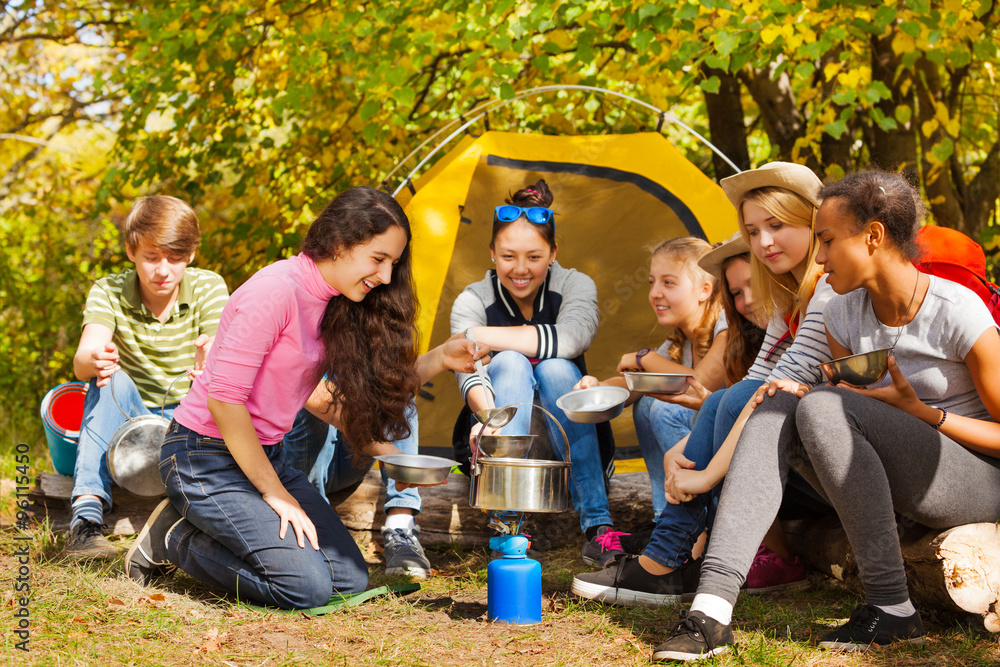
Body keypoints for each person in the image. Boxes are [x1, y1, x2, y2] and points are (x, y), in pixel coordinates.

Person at [123, 186, 484, 609]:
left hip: (264, 454)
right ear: (339, 243)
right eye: (378, 259)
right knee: (306, 589)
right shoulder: (275, 291)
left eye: (393, 263)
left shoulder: (340, 301)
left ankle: (217, 530)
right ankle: (174, 539)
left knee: (348, 579)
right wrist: (276, 495)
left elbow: (365, 396)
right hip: (202, 456)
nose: (386, 276)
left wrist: (441, 358)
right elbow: (224, 400)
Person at [572, 162, 833, 606]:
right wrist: (687, 449)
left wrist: (707, 473)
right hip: (797, 444)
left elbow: (757, 392)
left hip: (843, 454)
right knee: (722, 403)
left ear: (812, 224)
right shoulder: (788, 303)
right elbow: (754, 385)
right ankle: (668, 555)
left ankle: (669, 557)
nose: (763, 242)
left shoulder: (826, 293)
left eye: (776, 225)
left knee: (711, 403)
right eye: (753, 231)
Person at [449, 179, 620, 567]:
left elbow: (573, 339)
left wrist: (479, 336)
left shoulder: (576, 284)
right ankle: (508, 521)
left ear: (553, 253)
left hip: (570, 432)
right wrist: (491, 418)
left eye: (534, 257)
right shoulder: (473, 298)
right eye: (508, 256)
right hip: (498, 424)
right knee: (508, 363)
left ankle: (598, 524)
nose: (521, 270)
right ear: (492, 253)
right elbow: (467, 369)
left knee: (559, 366)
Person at [63, 196, 228, 559]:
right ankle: (86, 521)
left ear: (191, 255)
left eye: (174, 258)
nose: (163, 270)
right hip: (128, 418)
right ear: (131, 251)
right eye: (151, 257)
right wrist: (97, 358)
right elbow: (82, 362)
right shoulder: (108, 290)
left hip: (188, 417)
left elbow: (221, 351)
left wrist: (210, 362)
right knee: (109, 381)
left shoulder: (208, 287)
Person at [283, 331, 487, 578]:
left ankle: (401, 526)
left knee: (396, 394)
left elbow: (394, 384)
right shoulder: (300, 314)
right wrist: (392, 454)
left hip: (350, 457)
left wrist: (442, 356)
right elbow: (309, 389)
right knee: (312, 408)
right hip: (299, 464)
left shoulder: (370, 315)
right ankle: (313, 518)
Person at [575, 237, 727, 517]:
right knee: (646, 404)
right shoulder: (678, 343)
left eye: (668, 283)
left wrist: (643, 357)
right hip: (709, 444)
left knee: (663, 408)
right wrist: (596, 387)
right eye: (651, 282)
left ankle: (700, 516)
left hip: (737, 444)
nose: (655, 293)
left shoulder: (726, 325)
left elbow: (700, 384)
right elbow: (637, 383)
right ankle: (665, 516)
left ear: (705, 290)